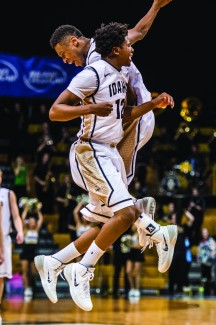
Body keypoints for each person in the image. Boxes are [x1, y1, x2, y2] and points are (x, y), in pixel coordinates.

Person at [35, 22, 177, 312]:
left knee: (110, 222)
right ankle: (87, 268)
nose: (131, 48)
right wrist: (89, 109)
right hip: (91, 152)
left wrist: (154, 102)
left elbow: (125, 115)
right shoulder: (93, 73)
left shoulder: (116, 76)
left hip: (107, 153)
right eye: (126, 46)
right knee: (126, 213)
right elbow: (55, 111)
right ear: (115, 50)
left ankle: (55, 262)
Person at [0, 168, 24, 321]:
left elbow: (16, 216)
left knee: (1, 276)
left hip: (4, 237)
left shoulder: (8, 193)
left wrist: (20, 231)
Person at [20, 201, 43, 300]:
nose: (33, 222)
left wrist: (37, 210)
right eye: (31, 221)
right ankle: (26, 290)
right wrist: (26, 208)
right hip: (25, 253)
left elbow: (41, 219)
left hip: (33, 253)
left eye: (34, 221)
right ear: (29, 223)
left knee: (33, 272)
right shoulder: (25, 230)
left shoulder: (36, 230)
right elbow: (22, 218)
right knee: (25, 272)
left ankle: (32, 287)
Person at [126, 224, 144, 300]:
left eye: (134, 225)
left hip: (138, 253)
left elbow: (140, 246)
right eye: (132, 225)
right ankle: (132, 288)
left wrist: (130, 245)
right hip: (130, 253)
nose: (133, 226)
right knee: (128, 271)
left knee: (136, 272)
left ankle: (137, 289)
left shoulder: (140, 234)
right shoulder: (129, 234)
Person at [197, 227, 216, 296]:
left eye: (205, 233)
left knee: (211, 278)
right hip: (203, 263)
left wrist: (212, 254)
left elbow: (214, 250)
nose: (204, 234)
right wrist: (198, 260)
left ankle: (213, 292)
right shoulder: (201, 242)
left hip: (210, 263)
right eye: (203, 233)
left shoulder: (211, 241)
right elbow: (199, 252)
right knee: (204, 278)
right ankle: (205, 292)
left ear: (208, 233)